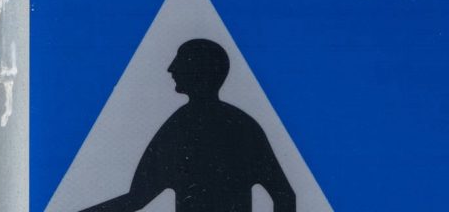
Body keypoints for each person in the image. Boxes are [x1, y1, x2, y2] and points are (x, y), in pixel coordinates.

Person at [79, 39, 295, 212]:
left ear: (199, 71)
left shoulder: (182, 125)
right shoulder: (243, 124)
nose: (171, 68)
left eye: (181, 61)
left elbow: (136, 199)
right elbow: (285, 196)